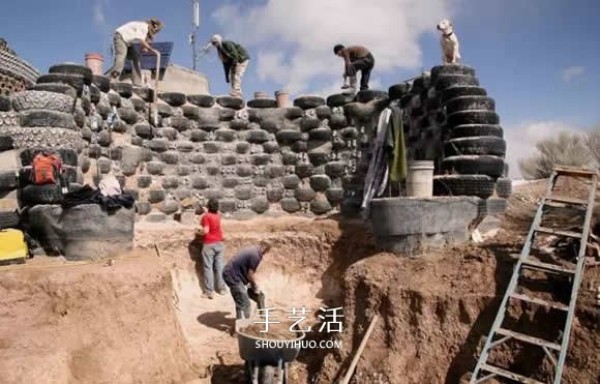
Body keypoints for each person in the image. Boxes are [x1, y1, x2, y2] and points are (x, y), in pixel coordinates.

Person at [222, 241, 272, 319]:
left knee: (259, 296)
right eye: (266, 252)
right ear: (265, 249)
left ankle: (262, 318)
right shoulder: (256, 255)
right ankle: (241, 327)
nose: (264, 254)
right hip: (232, 275)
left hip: (234, 274)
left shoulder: (253, 250)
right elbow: (250, 274)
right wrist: (255, 286)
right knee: (244, 303)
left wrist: (251, 285)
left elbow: (245, 268)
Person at [106, 18, 164, 86]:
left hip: (127, 42)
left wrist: (145, 48)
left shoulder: (145, 31)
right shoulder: (144, 27)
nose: (155, 32)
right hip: (120, 37)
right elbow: (141, 41)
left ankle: (137, 82)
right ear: (154, 26)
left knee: (136, 57)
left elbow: (143, 42)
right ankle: (113, 77)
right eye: (155, 31)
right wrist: (152, 49)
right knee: (122, 55)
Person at [197, 198, 226, 299]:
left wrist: (198, 232)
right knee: (219, 266)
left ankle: (209, 291)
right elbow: (215, 213)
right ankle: (222, 289)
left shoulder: (206, 217)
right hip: (219, 242)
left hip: (209, 243)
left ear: (208, 206)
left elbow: (205, 230)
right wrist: (207, 211)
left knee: (208, 267)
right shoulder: (218, 215)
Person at [209, 34, 250, 98]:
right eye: (213, 43)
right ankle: (234, 91)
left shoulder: (226, 43)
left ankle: (237, 91)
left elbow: (235, 54)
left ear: (218, 41)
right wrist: (226, 76)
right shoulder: (220, 51)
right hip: (234, 60)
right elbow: (225, 65)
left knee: (237, 74)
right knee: (232, 76)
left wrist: (234, 65)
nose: (214, 45)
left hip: (242, 58)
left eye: (215, 42)